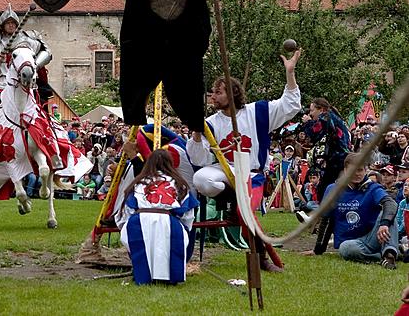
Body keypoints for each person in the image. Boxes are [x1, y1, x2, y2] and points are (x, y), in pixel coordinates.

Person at [187, 48, 302, 272]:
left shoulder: (258, 112)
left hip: (252, 174)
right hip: (225, 172)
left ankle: (260, 258)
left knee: (244, 212)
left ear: (232, 93)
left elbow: (290, 105)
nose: (213, 97)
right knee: (202, 179)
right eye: (212, 92)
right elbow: (198, 159)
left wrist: (290, 73)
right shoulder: (211, 122)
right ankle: (232, 198)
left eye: (218, 92)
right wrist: (197, 133)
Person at [116, 150, 198, 285]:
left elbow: (128, 208)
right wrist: (183, 229)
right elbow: (188, 213)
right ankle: (169, 277)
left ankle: (143, 276)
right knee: (168, 246)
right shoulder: (180, 184)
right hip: (169, 219)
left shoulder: (138, 182)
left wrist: (125, 226)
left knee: (140, 245)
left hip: (139, 219)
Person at [310, 152, 399, 269]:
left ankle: (389, 256)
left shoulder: (373, 187)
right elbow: (326, 219)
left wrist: (384, 224)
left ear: (365, 170)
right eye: (353, 170)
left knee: (388, 214)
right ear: (345, 170)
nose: (357, 174)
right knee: (345, 249)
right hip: (350, 243)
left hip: (373, 237)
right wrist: (318, 250)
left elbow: (390, 203)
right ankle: (381, 256)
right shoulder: (333, 189)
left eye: (360, 170)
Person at [0, 3, 53, 139]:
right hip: (5, 82)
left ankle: (48, 132)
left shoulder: (28, 37)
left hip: (28, 79)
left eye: (13, 23)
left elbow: (47, 53)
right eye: (8, 23)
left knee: (41, 103)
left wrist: (34, 65)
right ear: (2, 25)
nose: (11, 25)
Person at [302, 97, 351, 201]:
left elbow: (315, 134)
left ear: (321, 109)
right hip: (338, 158)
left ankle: (325, 214)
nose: (310, 113)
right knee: (329, 187)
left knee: (324, 189)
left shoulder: (326, 117)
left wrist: (307, 122)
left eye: (312, 110)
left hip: (339, 159)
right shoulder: (332, 117)